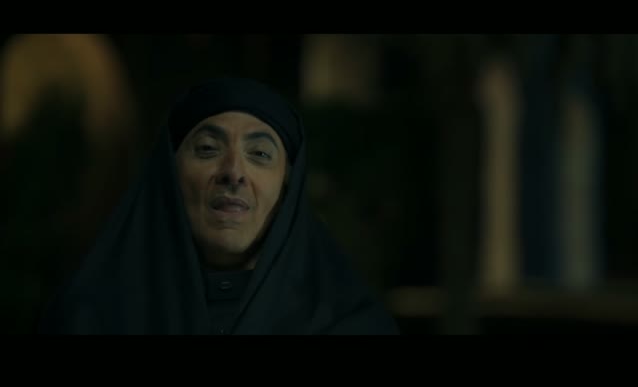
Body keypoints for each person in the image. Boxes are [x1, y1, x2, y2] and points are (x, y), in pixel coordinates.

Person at [37, 77, 399, 335]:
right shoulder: (91, 318)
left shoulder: (347, 324)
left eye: (259, 154)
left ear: (287, 188)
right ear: (169, 175)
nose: (233, 172)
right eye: (208, 149)